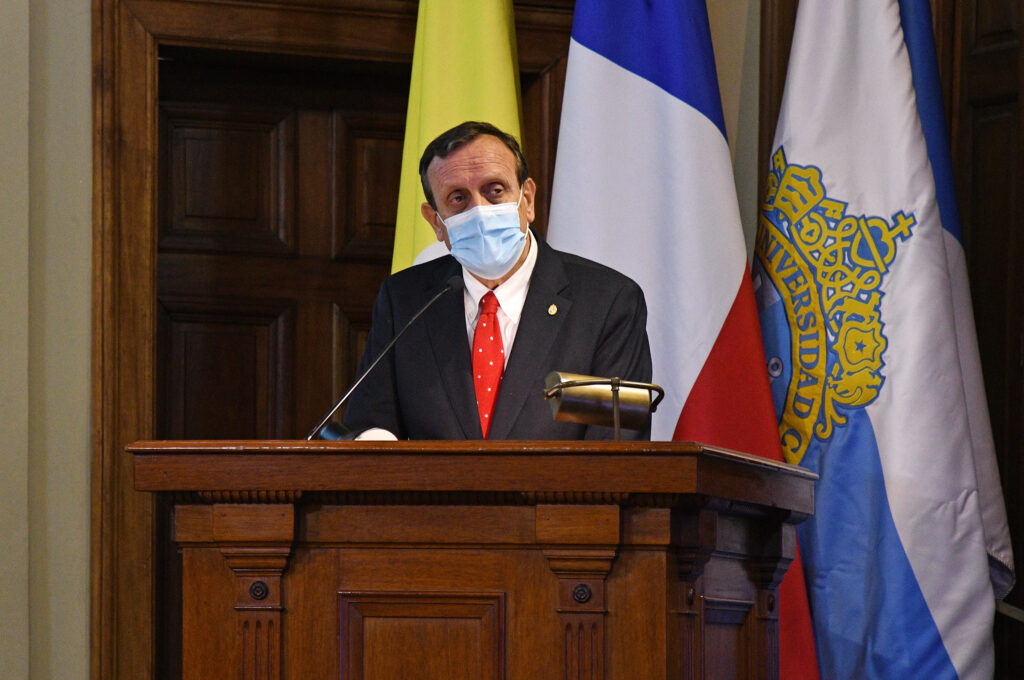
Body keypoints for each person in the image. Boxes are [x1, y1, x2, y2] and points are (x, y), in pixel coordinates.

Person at [342, 121, 652, 439]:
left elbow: (617, 446)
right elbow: (368, 423)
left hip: (559, 491)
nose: (480, 210)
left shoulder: (608, 303)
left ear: (527, 199)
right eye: (458, 198)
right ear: (436, 222)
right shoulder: (405, 300)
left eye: (495, 191)